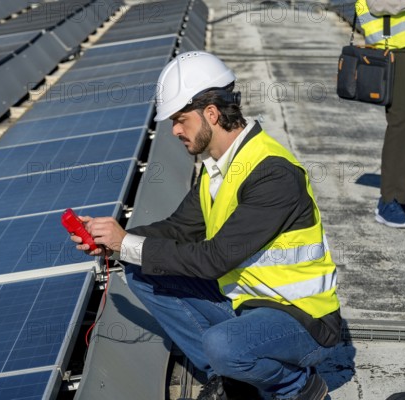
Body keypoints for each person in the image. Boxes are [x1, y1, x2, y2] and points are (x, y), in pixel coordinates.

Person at [70, 51, 341, 400]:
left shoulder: (273, 173)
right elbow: (179, 229)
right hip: (249, 301)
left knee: (222, 343)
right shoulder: (219, 167)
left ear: (211, 113)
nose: (175, 130)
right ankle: (229, 380)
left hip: (303, 320)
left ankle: (298, 386)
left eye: (181, 119)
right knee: (142, 270)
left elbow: (213, 259)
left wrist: (128, 244)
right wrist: (115, 240)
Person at [357, 0, 405, 228]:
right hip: (393, 42)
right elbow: (378, 4)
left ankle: (402, 198)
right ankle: (388, 202)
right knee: (402, 120)